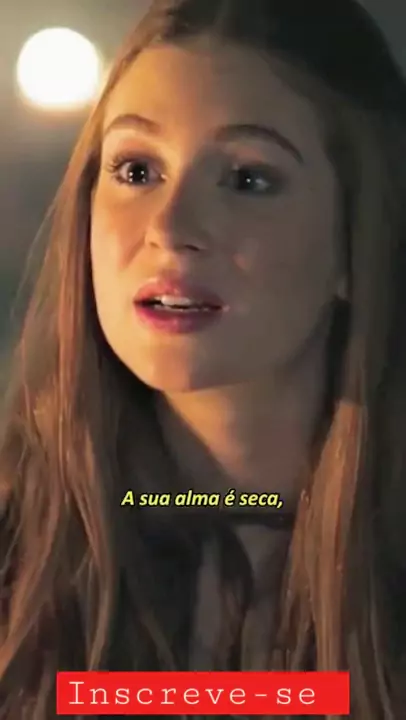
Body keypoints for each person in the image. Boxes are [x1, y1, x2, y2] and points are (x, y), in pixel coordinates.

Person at [1, 0, 406, 717]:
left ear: (356, 238)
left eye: (248, 178)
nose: (169, 227)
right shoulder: (17, 547)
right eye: (136, 170)